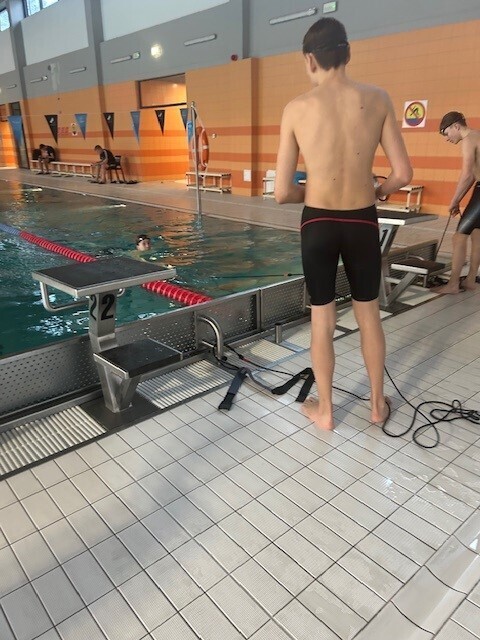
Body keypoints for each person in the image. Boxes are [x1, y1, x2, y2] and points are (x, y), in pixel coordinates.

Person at [274, 17, 412, 430]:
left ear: (309, 59)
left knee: (322, 318)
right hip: (362, 221)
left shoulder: (296, 109)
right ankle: (376, 405)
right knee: (368, 313)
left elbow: (281, 192)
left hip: (317, 221)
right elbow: (403, 173)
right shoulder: (378, 98)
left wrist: (311, 190)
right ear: (347, 53)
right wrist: (380, 190)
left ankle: (327, 412)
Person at [432, 112, 480, 294]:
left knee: (459, 237)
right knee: (477, 234)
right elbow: (473, 176)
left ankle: (452, 285)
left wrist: (454, 201)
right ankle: (470, 280)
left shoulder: (468, 140)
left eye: (446, 133)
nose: (447, 138)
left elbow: (467, 175)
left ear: (456, 126)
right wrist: (458, 200)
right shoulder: (477, 135)